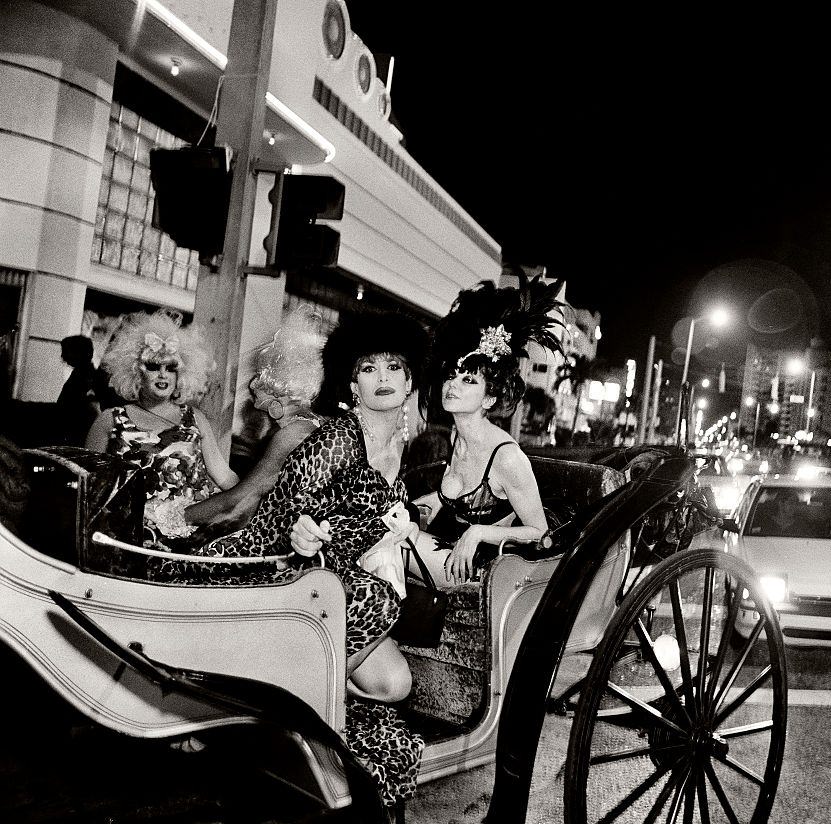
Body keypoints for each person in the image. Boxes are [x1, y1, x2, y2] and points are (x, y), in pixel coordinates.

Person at [149, 309, 429, 812]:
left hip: (332, 574)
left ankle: (295, 701)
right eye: (369, 368)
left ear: (410, 381)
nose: (382, 378)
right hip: (271, 563)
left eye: (394, 368)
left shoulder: (399, 443)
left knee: (394, 684)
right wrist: (304, 532)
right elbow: (287, 511)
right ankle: (258, 702)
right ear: (352, 380)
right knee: (378, 599)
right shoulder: (340, 436)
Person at [291, 276, 565, 588]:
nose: (453, 386)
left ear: (489, 397)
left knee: (379, 542)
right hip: (448, 553)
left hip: (484, 572)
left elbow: (540, 533)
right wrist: (430, 501)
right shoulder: (455, 438)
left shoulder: (507, 458)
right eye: (452, 375)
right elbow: (461, 498)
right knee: (366, 530)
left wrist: (478, 533)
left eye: (469, 381)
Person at [84, 309, 238, 548]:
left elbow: (225, 477)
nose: (163, 375)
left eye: (171, 368)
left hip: (189, 543)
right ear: (135, 371)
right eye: (154, 366)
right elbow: (90, 491)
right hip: (127, 540)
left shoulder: (195, 419)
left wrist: (258, 498)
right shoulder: (109, 421)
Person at [183, 310, 326, 537]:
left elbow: (237, 502)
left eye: (259, 376)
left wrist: (178, 516)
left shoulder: (292, 433)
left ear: (279, 386)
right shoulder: (307, 424)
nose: (251, 385)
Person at [55, 334, 100, 446]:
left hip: (75, 435)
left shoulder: (85, 377)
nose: (62, 356)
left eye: (66, 351)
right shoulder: (81, 374)